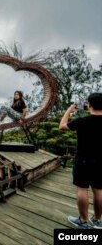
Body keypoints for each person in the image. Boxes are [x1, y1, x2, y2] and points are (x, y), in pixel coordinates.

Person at [59, 92, 102, 229]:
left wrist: (69, 110)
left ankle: (83, 222)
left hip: (83, 160)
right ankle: (97, 220)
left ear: (89, 105)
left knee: (82, 189)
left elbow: (62, 125)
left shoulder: (82, 121)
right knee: (99, 190)